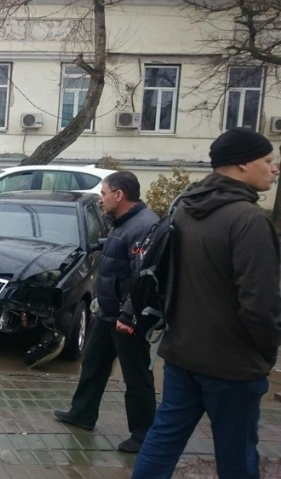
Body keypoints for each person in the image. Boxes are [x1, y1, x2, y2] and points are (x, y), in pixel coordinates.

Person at [132, 128, 281, 479]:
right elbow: (260, 304)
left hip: (182, 353)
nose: (274, 169)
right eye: (268, 160)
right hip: (232, 365)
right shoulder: (249, 220)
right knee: (237, 455)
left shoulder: (185, 208)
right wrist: (266, 352)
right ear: (243, 164)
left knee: (163, 439)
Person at [53, 171, 158, 454]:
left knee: (136, 377)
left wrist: (129, 315)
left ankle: (143, 435)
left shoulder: (144, 227)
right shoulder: (123, 223)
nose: (101, 200)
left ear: (119, 195)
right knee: (94, 364)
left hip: (127, 319)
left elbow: (142, 279)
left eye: (103, 193)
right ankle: (82, 413)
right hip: (109, 314)